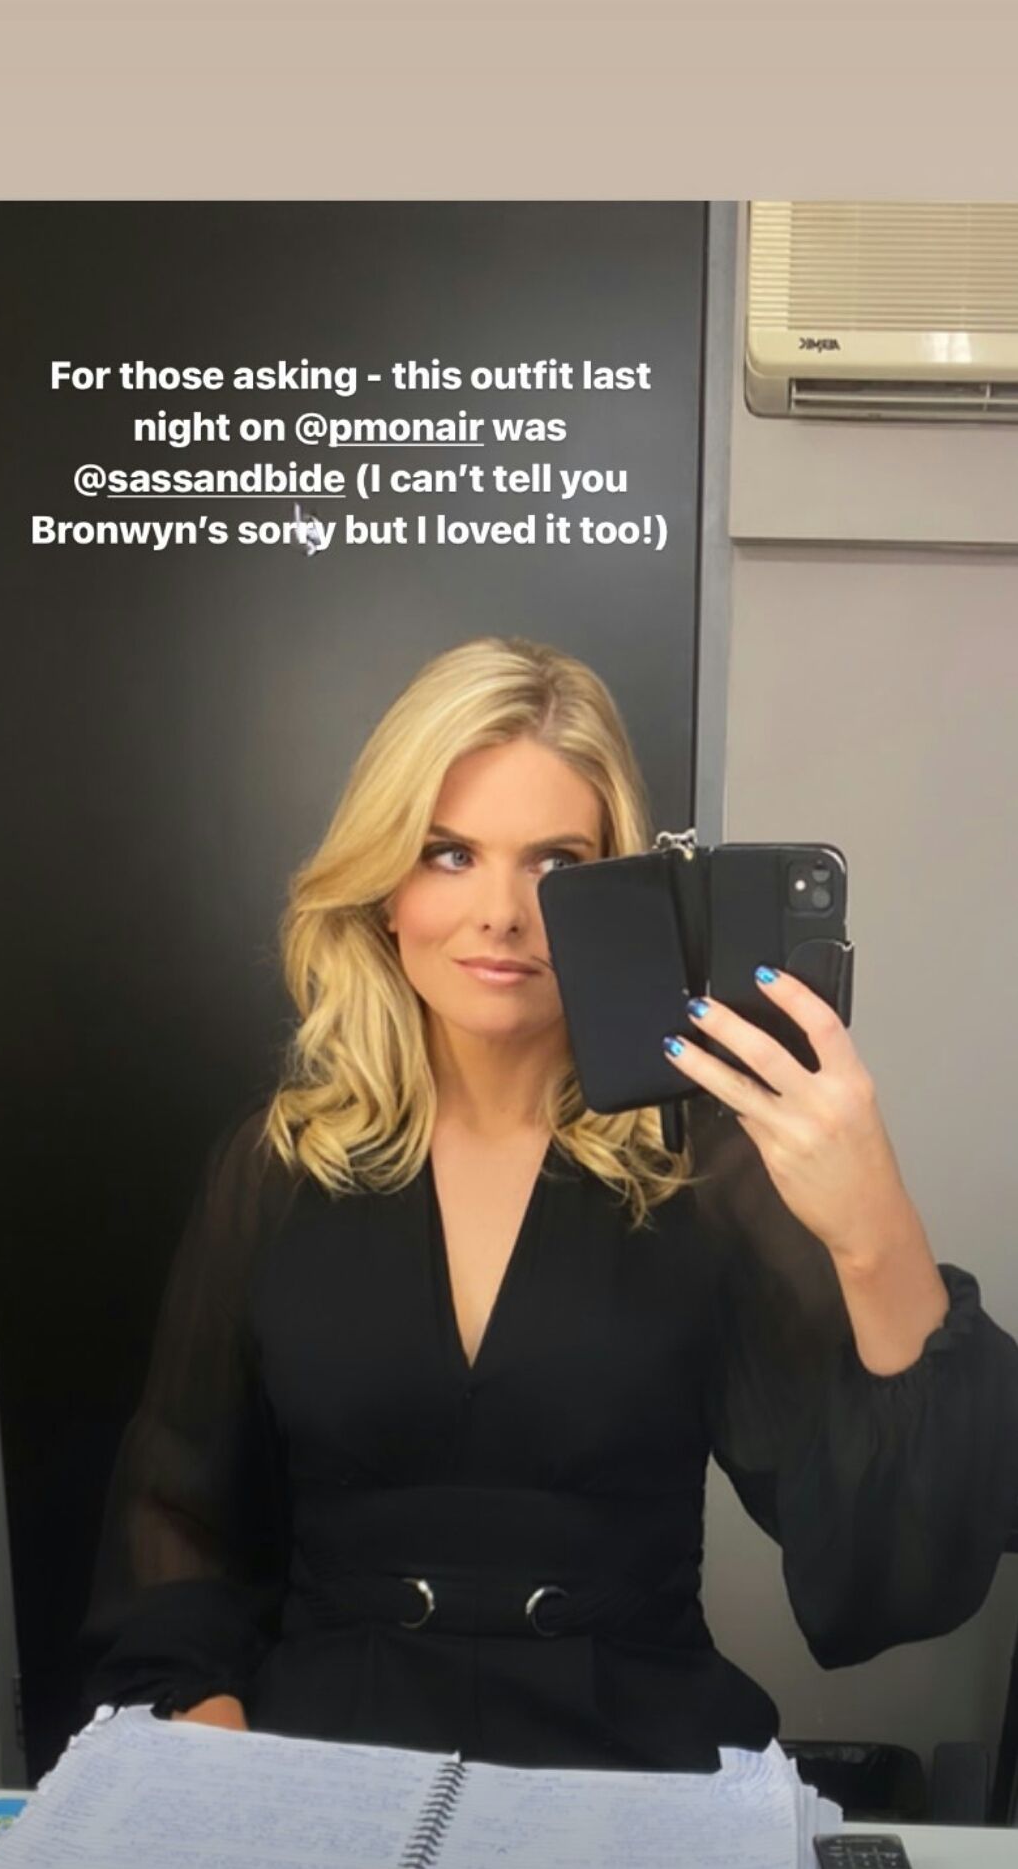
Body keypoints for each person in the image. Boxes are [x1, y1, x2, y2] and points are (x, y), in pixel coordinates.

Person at [82, 634, 1018, 1771]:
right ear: (383, 889)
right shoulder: (278, 1166)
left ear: (616, 897)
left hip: (631, 1761)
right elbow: (176, 1511)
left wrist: (875, 1226)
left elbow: (893, 1578)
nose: (502, 913)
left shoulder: (705, 1166)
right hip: (325, 1758)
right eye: (448, 853)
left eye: (555, 863)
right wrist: (212, 1744)